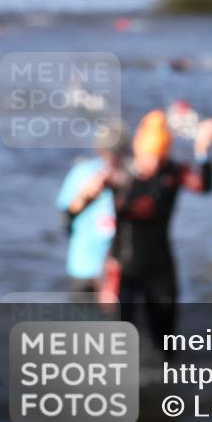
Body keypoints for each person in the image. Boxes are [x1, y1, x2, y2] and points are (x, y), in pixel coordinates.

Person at [73, 110, 212, 351]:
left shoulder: (173, 173)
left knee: (166, 338)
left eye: (159, 157)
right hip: (122, 266)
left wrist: (203, 149)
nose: (153, 163)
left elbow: (204, 186)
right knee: (116, 338)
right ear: (138, 147)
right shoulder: (120, 173)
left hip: (160, 265)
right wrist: (85, 195)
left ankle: (166, 380)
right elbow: (75, 209)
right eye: (149, 155)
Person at [56, 122, 128, 294]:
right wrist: (86, 196)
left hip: (114, 272)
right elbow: (66, 215)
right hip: (83, 267)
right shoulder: (83, 173)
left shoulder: (127, 177)